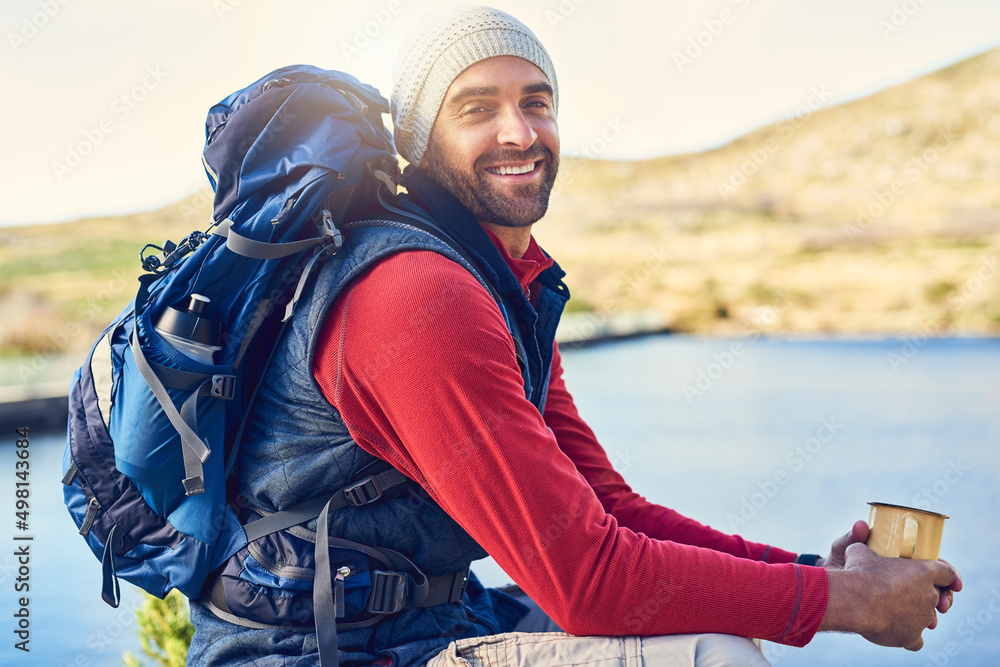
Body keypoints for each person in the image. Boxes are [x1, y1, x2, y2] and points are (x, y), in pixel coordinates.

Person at [187, 6, 961, 666]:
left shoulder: (498, 284)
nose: (518, 132)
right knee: (712, 655)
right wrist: (846, 603)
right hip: (317, 651)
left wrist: (810, 572)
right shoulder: (419, 296)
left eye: (537, 100)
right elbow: (586, 579)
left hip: (416, 626)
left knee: (700, 614)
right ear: (422, 142)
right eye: (476, 108)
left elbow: (608, 511)